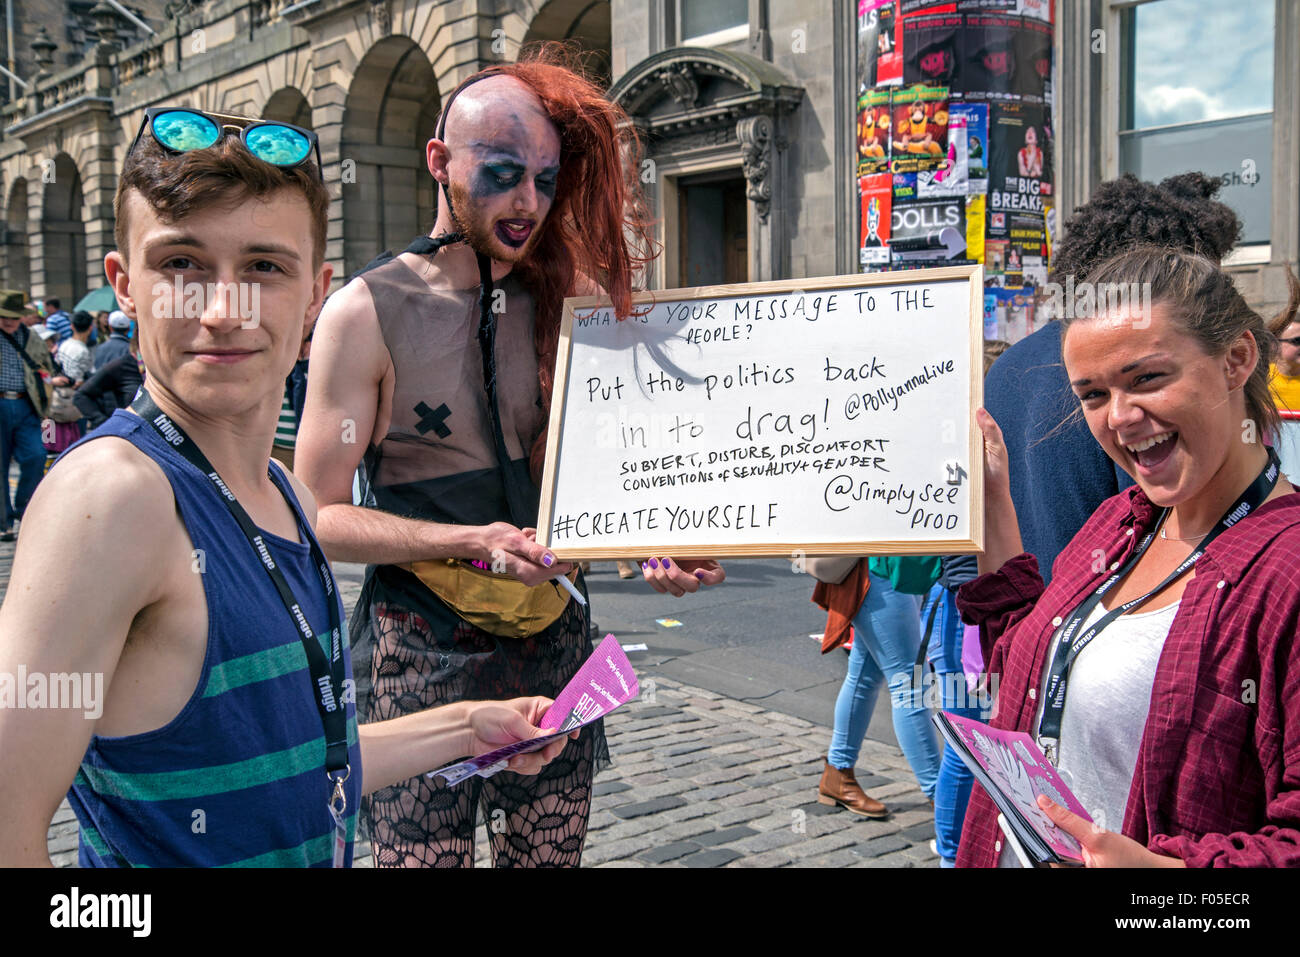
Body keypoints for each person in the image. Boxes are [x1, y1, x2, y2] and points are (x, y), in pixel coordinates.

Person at [0, 106, 576, 868]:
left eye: (264, 268)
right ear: (124, 286)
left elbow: (303, 763)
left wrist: (468, 728)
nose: (222, 308)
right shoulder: (111, 500)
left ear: (316, 294)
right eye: (181, 264)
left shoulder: (285, 495)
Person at [295, 47, 723, 868]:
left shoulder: (573, 301)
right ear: (439, 162)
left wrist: (656, 542)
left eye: (546, 179)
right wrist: (467, 541)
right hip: (420, 649)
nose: (528, 202)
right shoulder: (366, 312)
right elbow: (316, 515)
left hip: (556, 642)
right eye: (501, 173)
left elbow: (612, 477)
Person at [957, 245, 1300, 867]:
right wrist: (991, 503)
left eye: (1147, 379)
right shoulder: (1120, 523)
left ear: (1238, 360)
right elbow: (1029, 670)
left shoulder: (1285, 571)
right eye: (1091, 395)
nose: (1120, 417)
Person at [985, 172, 1241, 582]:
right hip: (1115, 615)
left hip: (1027, 621)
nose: (1120, 414)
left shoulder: (1005, 367)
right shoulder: (1116, 371)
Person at [815, 555, 943, 818]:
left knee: (865, 676)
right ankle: (941, 798)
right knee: (909, 685)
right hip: (882, 567)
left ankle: (838, 775)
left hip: (901, 566)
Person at [0, 289, 55, 542]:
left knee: (37, 455)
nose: (8, 321)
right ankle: (4, 521)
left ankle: (25, 508)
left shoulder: (32, 337)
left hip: (27, 405)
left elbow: (47, 366)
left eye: (12, 316)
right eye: (3, 316)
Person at [74, 351, 144, 430]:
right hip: (126, 433)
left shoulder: (156, 368)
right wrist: (105, 424)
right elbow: (81, 396)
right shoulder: (122, 365)